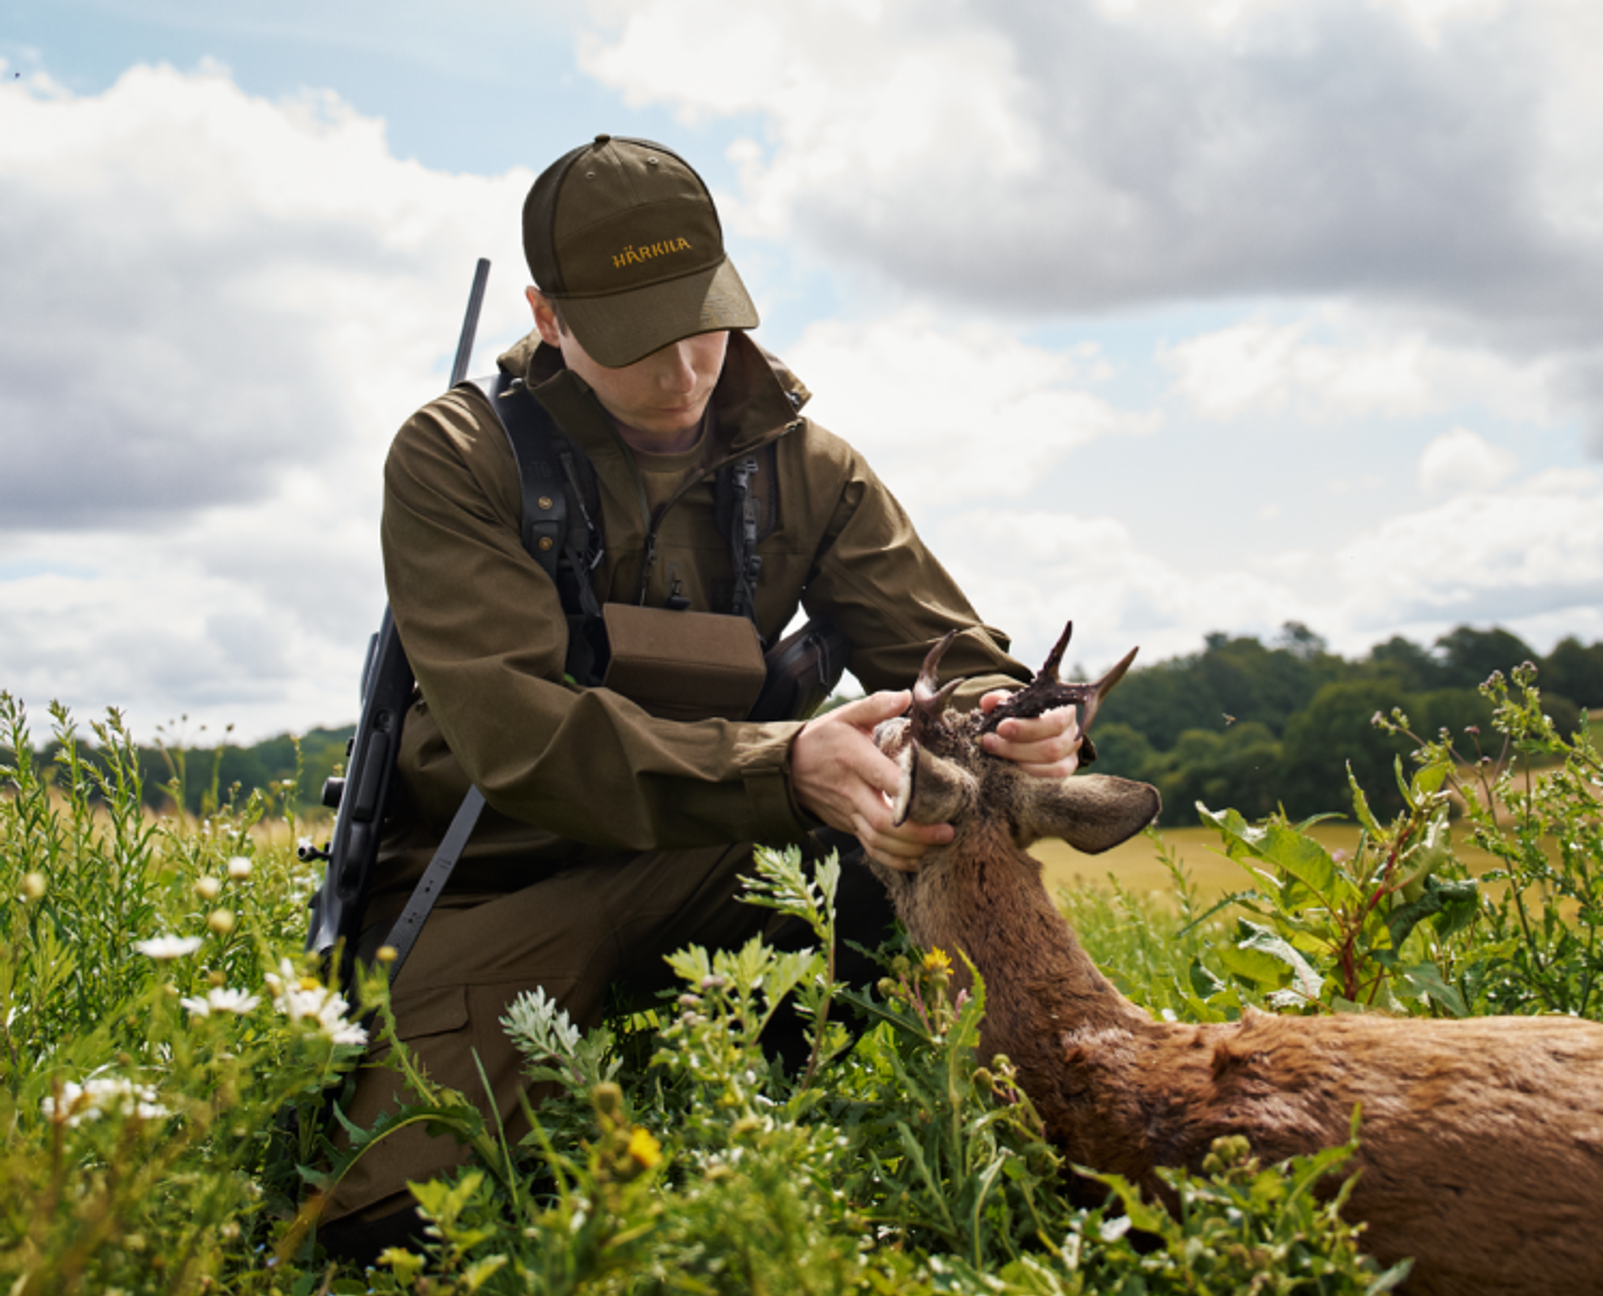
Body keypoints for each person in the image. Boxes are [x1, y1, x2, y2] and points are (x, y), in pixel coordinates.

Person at [317, 134, 1085, 1260]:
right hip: (498, 885)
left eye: (705, 328)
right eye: (637, 343)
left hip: (717, 864)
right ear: (547, 317)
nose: (683, 375)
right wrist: (781, 766)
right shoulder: (456, 458)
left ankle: (879, 1114)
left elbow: (944, 650)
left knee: (920, 836)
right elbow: (517, 739)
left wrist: (1008, 717)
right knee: (399, 1233)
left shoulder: (810, 467)